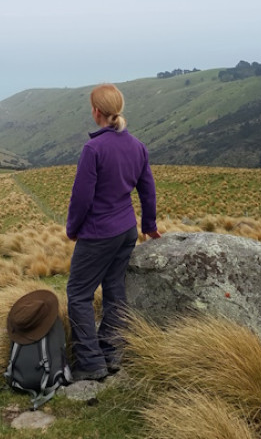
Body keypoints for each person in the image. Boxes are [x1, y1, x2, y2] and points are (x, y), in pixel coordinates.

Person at [65, 83, 160, 381]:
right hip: (126, 230)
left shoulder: (93, 149)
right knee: (115, 291)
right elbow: (148, 190)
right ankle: (112, 353)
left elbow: (81, 197)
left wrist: (73, 228)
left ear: (96, 111)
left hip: (98, 233)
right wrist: (149, 226)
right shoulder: (137, 146)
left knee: (78, 295)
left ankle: (90, 363)